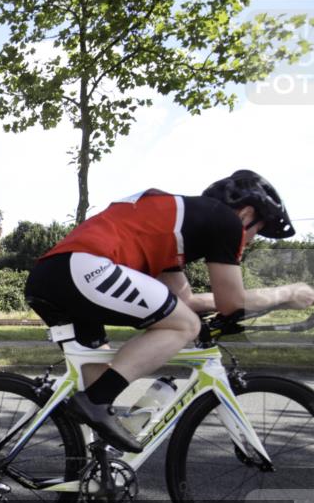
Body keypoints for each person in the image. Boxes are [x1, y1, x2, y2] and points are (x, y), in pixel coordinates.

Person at [24, 170, 314, 452]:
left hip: (57, 276)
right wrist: (286, 294)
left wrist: (223, 311)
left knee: (103, 385)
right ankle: (96, 401)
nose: (251, 240)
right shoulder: (225, 220)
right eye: (259, 230)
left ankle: (101, 473)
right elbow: (230, 301)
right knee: (183, 326)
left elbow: (185, 300)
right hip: (84, 267)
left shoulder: (171, 231)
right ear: (246, 214)